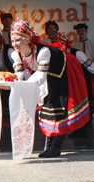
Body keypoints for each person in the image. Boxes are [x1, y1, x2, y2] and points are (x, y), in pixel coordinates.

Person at [9, 19, 90, 157]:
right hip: (48, 77)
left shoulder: (43, 51)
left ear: (27, 39)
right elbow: (21, 75)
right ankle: (48, 146)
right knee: (45, 108)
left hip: (63, 73)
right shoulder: (15, 54)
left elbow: (40, 76)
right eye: (13, 40)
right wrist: (14, 82)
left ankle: (56, 147)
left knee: (58, 108)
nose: (14, 44)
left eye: (18, 40)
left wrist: (22, 84)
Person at [51, 31, 94, 138]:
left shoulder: (77, 53)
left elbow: (91, 67)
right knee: (74, 107)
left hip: (83, 84)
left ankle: (82, 131)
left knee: (84, 106)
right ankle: (77, 129)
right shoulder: (58, 56)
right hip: (70, 85)